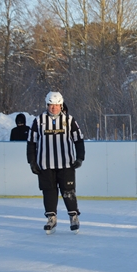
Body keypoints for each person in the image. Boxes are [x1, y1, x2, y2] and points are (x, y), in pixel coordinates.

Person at [27, 91, 85, 235]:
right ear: (47, 105)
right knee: (49, 192)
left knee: (68, 191)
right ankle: (51, 218)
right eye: (51, 105)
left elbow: (78, 139)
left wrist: (80, 158)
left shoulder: (69, 120)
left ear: (61, 105)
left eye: (57, 105)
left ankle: (73, 217)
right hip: (45, 165)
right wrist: (32, 162)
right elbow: (31, 142)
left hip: (66, 164)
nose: (54, 108)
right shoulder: (38, 120)